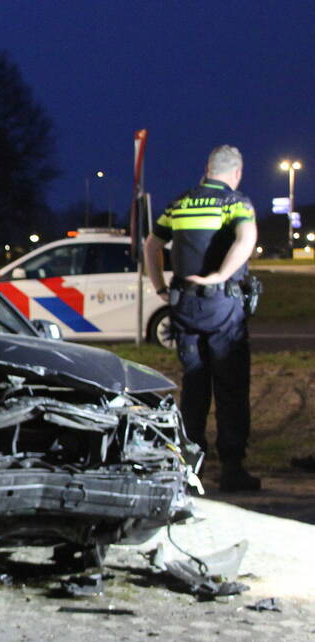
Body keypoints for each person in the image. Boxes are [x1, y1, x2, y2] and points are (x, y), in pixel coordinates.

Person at [144, 144, 260, 492]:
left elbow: (151, 245)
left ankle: (191, 468)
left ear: (207, 168)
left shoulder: (179, 202)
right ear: (236, 173)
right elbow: (247, 238)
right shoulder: (236, 202)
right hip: (222, 308)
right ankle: (232, 469)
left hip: (184, 307)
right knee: (230, 387)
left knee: (194, 387)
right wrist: (220, 275)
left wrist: (160, 288)